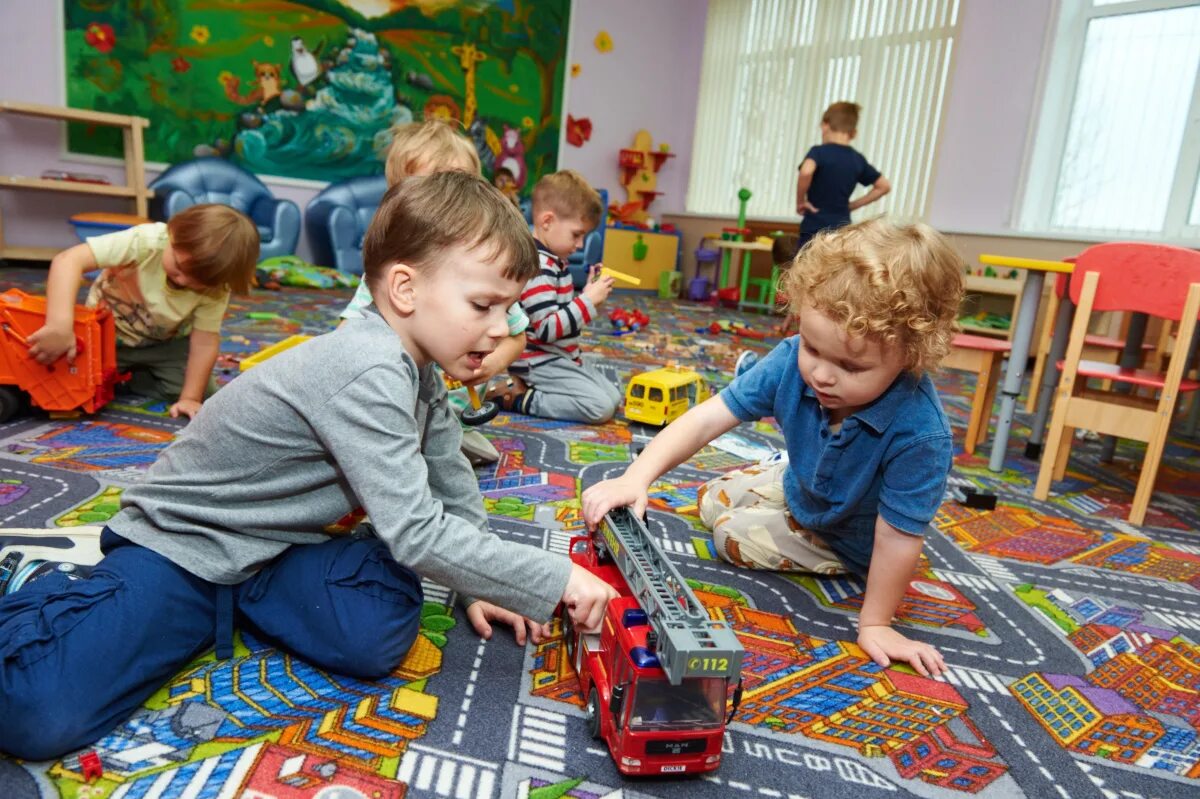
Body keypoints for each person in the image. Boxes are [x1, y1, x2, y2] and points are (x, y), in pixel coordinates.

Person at [0, 172, 618, 761]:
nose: (498, 329)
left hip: (275, 544)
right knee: (34, 709)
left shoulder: (420, 365)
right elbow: (418, 531)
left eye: (506, 309)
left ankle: (233, 601)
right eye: (483, 305)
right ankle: (115, 602)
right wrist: (550, 578)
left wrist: (481, 579)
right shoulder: (368, 366)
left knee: (373, 632)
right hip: (186, 541)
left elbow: (448, 475)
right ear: (405, 289)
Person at [583, 218, 964, 678]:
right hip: (802, 486)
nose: (821, 374)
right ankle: (788, 472)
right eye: (812, 347)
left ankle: (805, 512)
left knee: (728, 534)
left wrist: (877, 621)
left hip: (851, 538)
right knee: (709, 498)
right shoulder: (790, 359)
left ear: (911, 354)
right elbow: (709, 416)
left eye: (849, 365)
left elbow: (899, 536)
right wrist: (635, 478)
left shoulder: (922, 434)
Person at [340, 117, 526, 464]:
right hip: (398, 413)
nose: (447, 206)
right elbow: (347, 332)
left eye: (460, 190)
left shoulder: (482, 277)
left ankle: (448, 439)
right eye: (432, 191)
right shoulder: (388, 272)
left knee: (447, 450)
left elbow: (516, 334)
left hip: (453, 410)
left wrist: (492, 364)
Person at [27, 204, 258, 419]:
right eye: (178, 265)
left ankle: (136, 378)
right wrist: (59, 325)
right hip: (103, 337)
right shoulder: (145, 240)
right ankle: (126, 375)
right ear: (172, 232)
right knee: (61, 380)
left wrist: (190, 398)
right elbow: (68, 260)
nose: (182, 280)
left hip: (164, 345)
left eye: (197, 281)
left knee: (205, 394)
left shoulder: (217, 287)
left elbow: (205, 341)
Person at [493, 169, 622, 424]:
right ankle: (520, 399)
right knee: (601, 408)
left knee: (614, 397)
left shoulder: (554, 260)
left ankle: (527, 390)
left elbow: (561, 310)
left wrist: (586, 294)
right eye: (577, 234)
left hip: (563, 356)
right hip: (539, 360)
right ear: (547, 221)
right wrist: (587, 302)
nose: (581, 245)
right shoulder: (537, 265)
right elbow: (546, 329)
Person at [795, 101, 891, 252]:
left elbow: (806, 171)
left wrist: (800, 201)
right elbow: (884, 186)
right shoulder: (857, 159)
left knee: (806, 270)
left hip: (814, 227)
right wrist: (852, 205)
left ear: (825, 125)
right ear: (853, 133)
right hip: (841, 229)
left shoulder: (818, 152)